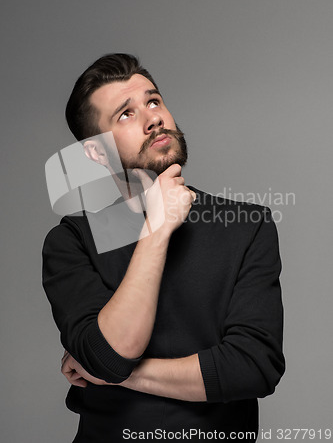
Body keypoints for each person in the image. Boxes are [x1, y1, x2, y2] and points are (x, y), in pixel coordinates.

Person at [42, 53, 285, 442]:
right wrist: (157, 227)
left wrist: (115, 374)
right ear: (96, 152)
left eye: (153, 101)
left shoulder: (247, 226)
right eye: (125, 114)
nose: (152, 117)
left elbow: (253, 368)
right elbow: (113, 352)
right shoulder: (71, 241)